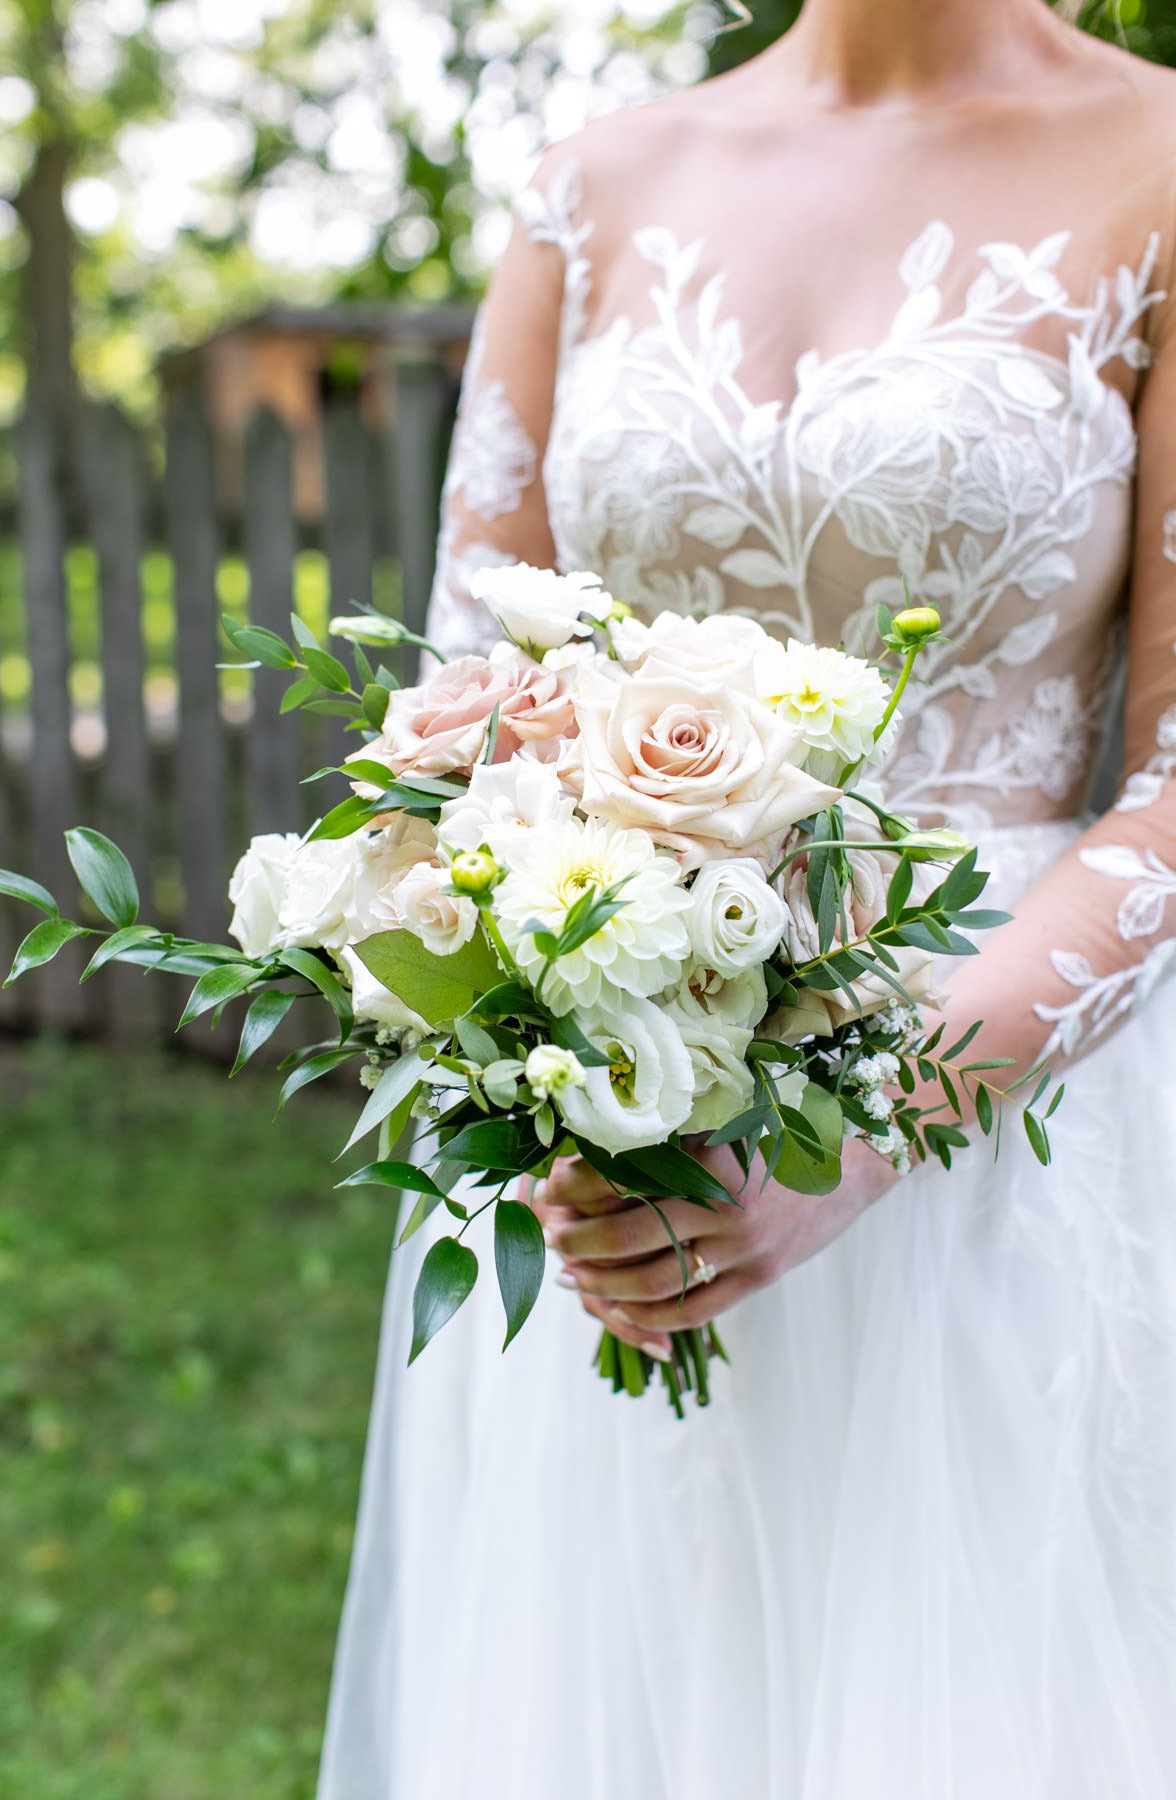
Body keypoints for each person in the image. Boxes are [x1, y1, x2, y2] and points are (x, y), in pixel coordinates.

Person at [317, 2, 1176, 1793]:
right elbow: (464, 709)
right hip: (611, 1117)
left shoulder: (1158, 162)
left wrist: (868, 1133)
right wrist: (525, 1039)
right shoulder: (589, 188)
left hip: (1009, 1128)